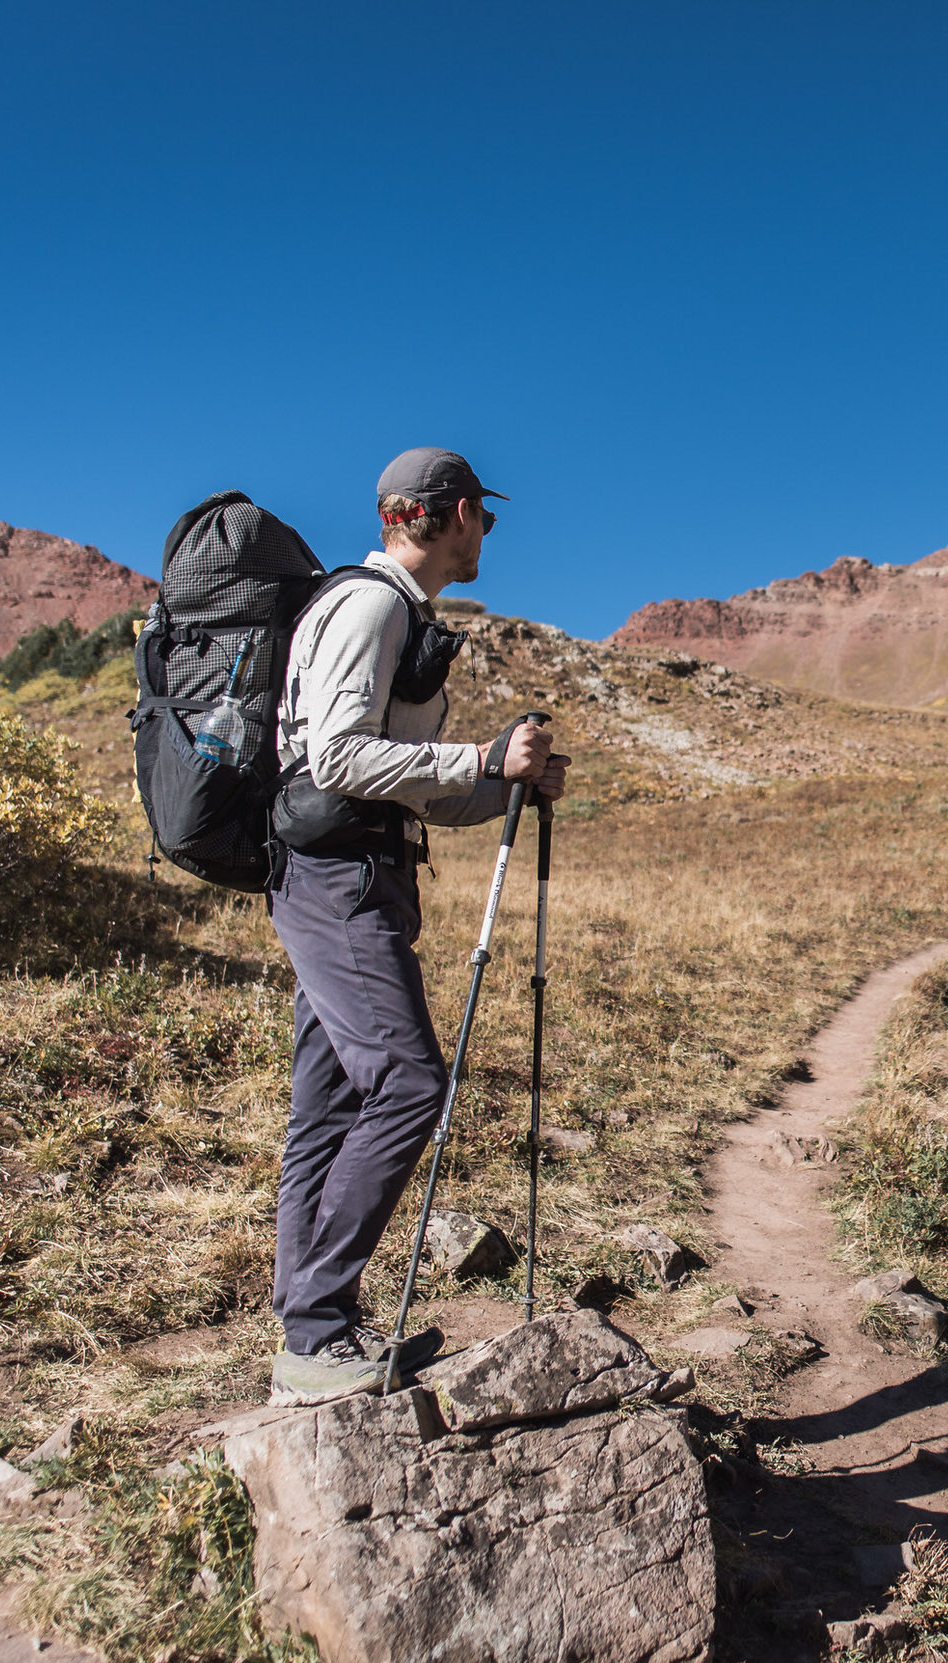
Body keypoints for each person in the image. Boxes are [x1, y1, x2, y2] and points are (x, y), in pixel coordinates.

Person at [264, 446, 568, 1407]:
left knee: (330, 1103)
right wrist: (482, 752)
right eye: (486, 517)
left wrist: (500, 787)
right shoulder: (372, 604)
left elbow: (408, 787)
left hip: (355, 870)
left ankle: (311, 1327)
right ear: (453, 513)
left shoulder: (391, 610)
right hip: (339, 879)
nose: (488, 535)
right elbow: (343, 758)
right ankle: (316, 1326)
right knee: (406, 1085)